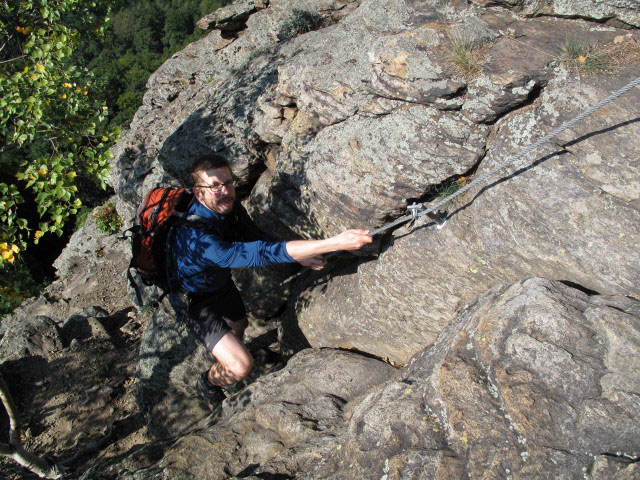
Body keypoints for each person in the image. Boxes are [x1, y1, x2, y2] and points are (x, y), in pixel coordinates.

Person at [168, 153, 373, 412]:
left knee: (240, 324)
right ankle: (209, 381)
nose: (225, 191)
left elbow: (255, 236)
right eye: (215, 186)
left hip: (218, 283)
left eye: (228, 183)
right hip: (195, 302)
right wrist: (334, 243)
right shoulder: (196, 237)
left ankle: (227, 350)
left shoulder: (228, 208)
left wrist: (300, 257)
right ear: (199, 193)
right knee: (241, 365)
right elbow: (253, 253)